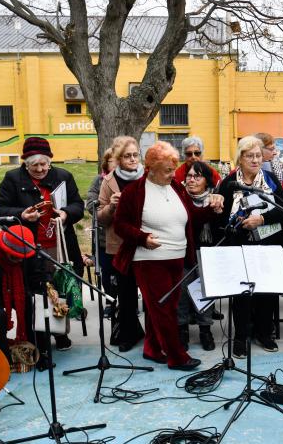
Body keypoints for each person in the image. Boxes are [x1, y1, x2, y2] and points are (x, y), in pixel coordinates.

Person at [112, 141, 223, 370]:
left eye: (174, 168)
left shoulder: (177, 188)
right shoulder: (134, 192)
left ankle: (152, 348)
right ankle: (177, 357)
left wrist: (212, 210)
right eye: (167, 170)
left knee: (161, 308)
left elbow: (192, 217)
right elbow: (120, 225)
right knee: (163, 310)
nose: (174, 174)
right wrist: (142, 238)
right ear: (151, 167)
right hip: (148, 259)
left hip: (178, 257)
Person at [0, 137, 84, 353]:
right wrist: (22, 214)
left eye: (45, 164)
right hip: (28, 247)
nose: (41, 169)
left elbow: (78, 206)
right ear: (25, 163)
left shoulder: (63, 177)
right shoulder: (13, 178)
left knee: (60, 290)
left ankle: (61, 333)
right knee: (35, 294)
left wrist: (65, 214)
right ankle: (37, 338)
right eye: (35, 165)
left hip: (60, 246)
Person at [215, 135, 283, 356]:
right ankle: (241, 337)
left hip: (267, 245)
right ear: (240, 158)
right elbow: (219, 220)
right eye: (250, 156)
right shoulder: (229, 182)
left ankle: (264, 333)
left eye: (258, 155)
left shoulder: (270, 179)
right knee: (241, 294)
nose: (256, 160)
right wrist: (226, 217)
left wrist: (262, 219)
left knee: (266, 291)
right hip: (238, 246)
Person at [98, 136, 146, 352]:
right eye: (127, 156)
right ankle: (129, 333)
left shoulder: (148, 176)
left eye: (135, 155)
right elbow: (100, 217)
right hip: (120, 245)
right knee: (125, 294)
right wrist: (110, 206)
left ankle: (154, 335)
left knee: (150, 292)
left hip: (146, 242)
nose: (133, 159)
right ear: (117, 159)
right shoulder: (109, 182)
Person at [0, 224, 37, 362]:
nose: (20, 260)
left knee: (30, 304)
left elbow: (36, 275)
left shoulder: (26, 255)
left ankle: (33, 346)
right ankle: (3, 357)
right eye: (16, 258)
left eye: (22, 257)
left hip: (16, 289)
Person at [177, 161, 219, 352]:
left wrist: (217, 210)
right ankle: (182, 330)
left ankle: (205, 330)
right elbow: (195, 216)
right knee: (182, 293)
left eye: (197, 176)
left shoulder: (216, 199)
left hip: (208, 253)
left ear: (207, 181)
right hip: (184, 252)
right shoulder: (180, 197)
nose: (191, 180)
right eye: (189, 176)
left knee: (206, 291)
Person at [86, 148, 117, 317]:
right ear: (106, 163)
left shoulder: (132, 179)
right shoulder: (99, 181)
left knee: (128, 272)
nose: (118, 164)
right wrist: (106, 205)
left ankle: (130, 302)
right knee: (107, 271)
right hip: (104, 236)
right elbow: (90, 204)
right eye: (114, 161)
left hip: (125, 237)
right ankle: (110, 302)